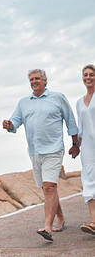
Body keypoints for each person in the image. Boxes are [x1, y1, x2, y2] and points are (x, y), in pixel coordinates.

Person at [2, 69, 80, 242]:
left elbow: (71, 121)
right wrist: (8, 125)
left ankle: (47, 227)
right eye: (31, 79)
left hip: (53, 149)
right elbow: (15, 122)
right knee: (47, 188)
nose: (34, 81)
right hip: (35, 152)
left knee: (49, 187)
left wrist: (75, 144)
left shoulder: (58, 98)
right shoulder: (23, 103)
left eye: (37, 78)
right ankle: (60, 218)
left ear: (45, 81)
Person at [75, 64, 95, 235]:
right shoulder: (79, 102)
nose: (88, 77)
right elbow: (80, 128)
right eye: (85, 75)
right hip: (88, 147)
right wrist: (76, 146)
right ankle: (93, 222)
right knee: (89, 182)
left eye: (91, 74)